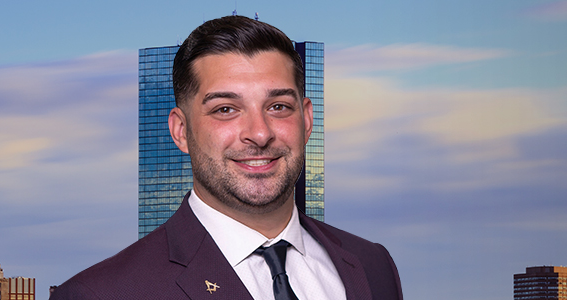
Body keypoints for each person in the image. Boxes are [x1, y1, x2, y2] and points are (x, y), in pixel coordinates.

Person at [52, 16, 402, 300]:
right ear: (180, 131)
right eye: (226, 109)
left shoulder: (373, 266)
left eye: (278, 106)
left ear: (307, 120)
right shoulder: (103, 294)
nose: (259, 133)